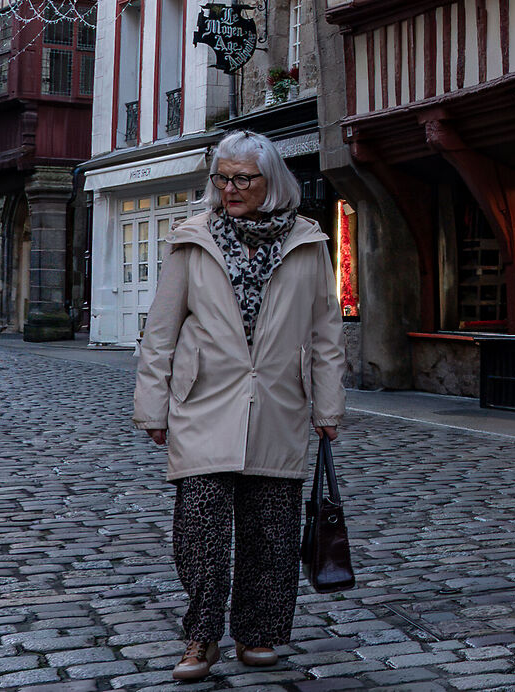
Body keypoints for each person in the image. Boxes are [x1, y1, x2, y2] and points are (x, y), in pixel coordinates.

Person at [134, 131, 345, 682]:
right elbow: (160, 333)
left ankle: (259, 633)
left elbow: (326, 334)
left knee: (270, 533)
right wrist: (152, 408)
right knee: (199, 530)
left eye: (241, 179)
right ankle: (200, 639)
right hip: (203, 401)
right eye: (221, 179)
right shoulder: (193, 239)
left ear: (270, 181)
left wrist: (329, 408)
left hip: (279, 403)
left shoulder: (309, 243)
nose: (229, 188)